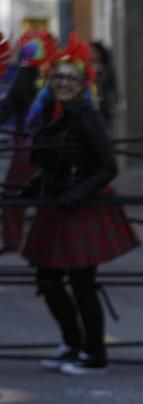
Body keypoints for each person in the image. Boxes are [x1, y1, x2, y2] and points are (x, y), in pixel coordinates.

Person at [20, 34, 138, 374]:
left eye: (71, 77)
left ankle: (94, 353)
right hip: (57, 203)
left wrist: (79, 192)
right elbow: (47, 162)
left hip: (82, 206)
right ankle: (71, 342)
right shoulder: (50, 113)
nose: (63, 83)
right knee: (47, 279)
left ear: (83, 81)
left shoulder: (87, 114)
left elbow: (109, 166)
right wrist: (34, 185)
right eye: (58, 76)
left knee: (82, 281)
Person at [1, 30, 57, 253]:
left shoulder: (30, 72)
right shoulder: (55, 71)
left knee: (14, 193)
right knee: (46, 191)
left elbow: (9, 105)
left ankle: (15, 241)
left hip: (30, 141)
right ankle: (45, 241)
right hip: (51, 141)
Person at [88, 40, 116, 128]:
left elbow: (114, 87)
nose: (92, 54)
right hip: (89, 106)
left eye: (94, 52)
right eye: (90, 52)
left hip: (104, 107)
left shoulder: (108, 69)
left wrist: (115, 101)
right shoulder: (85, 68)